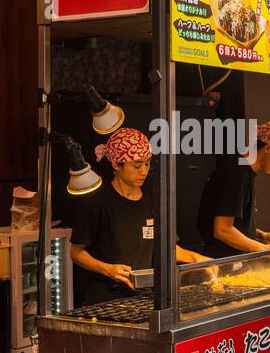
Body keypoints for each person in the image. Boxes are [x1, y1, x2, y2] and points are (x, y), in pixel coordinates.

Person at [69, 127, 208, 306]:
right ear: (116, 164)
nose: (143, 170)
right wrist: (108, 269)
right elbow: (76, 253)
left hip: (143, 297)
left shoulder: (153, 200)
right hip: (105, 298)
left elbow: (167, 248)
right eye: (136, 165)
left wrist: (200, 260)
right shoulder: (95, 203)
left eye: (147, 163)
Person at [195, 117, 270, 257]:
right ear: (268, 148)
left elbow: (236, 226)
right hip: (222, 263)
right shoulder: (236, 173)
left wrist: (265, 236)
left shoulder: (244, 172)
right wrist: (263, 249)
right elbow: (222, 230)